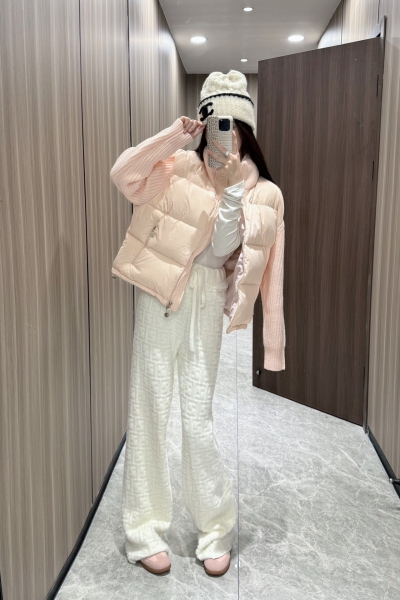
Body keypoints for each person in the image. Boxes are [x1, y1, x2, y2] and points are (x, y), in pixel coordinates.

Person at [109, 70, 286, 577]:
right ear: (205, 125)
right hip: (160, 295)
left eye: (232, 125)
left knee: (197, 419)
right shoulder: (179, 165)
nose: (223, 134)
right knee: (148, 410)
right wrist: (174, 135)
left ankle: (215, 529)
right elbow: (123, 176)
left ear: (246, 130)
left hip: (207, 300)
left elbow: (247, 258)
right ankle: (144, 532)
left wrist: (272, 342)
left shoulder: (266, 193)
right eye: (215, 124)